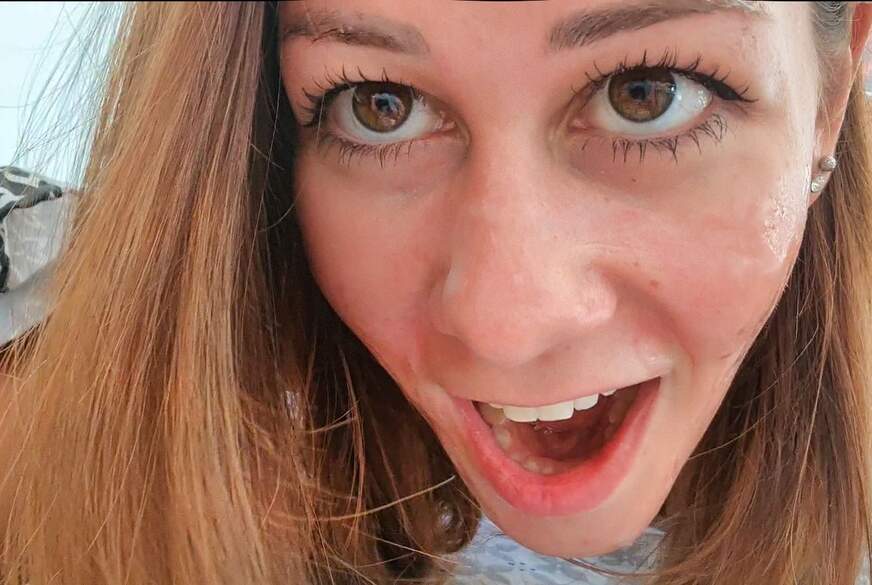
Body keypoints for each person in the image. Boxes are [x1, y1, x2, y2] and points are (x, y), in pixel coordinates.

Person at [0, 2, 871, 584]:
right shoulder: (66, 494)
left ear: (831, 94)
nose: (504, 326)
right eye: (380, 105)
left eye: (645, 95)